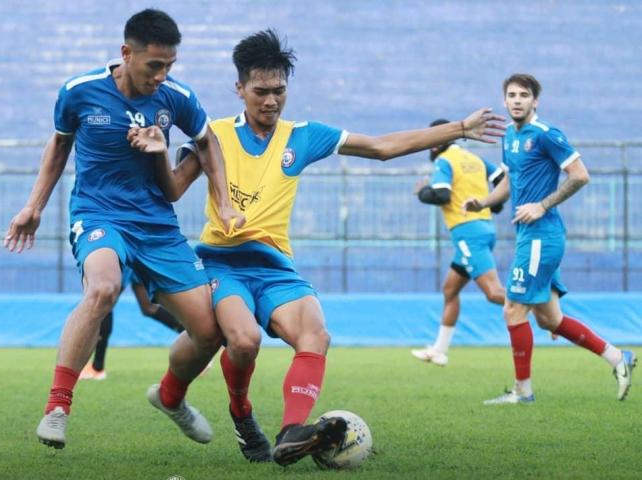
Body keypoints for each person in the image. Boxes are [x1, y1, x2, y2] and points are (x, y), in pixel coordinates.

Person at [137, 29, 505, 465]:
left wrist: (461, 127)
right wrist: (154, 156)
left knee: (316, 334)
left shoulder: (304, 136)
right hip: (223, 264)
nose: (271, 101)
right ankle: (242, 414)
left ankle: (292, 431)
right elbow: (171, 189)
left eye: (279, 91)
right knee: (244, 339)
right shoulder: (211, 135)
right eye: (261, 91)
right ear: (239, 89)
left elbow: (382, 147)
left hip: (275, 268)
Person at [3, 8, 243, 450]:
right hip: (98, 215)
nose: (161, 75)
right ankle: (58, 407)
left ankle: (171, 397)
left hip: (156, 226)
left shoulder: (178, 98)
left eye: (170, 65)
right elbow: (59, 145)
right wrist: (33, 206)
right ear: (126, 53)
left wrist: (226, 204)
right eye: (154, 65)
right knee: (103, 289)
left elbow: (210, 144)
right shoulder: (79, 91)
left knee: (210, 332)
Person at [464, 73, 636, 405]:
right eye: (511, 95)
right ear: (504, 100)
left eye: (524, 95)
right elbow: (513, 181)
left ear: (535, 101)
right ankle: (617, 357)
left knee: (513, 310)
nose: (517, 100)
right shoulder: (511, 138)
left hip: (542, 237)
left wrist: (543, 205)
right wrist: (484, 202)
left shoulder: (546, 135)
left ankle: (523, 392)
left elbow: (580, 175)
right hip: (530, 236)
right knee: (549, 319)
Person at [410, 119, 506, 366]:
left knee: (494, 293)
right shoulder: (474, 158)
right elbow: (502, 179)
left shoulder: (445, 161)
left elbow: (441, 195)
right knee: (450, 290)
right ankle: (439, 351)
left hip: (467, 233)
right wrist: (494, 204)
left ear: (435, 143)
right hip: (483, 228)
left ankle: (545, 311)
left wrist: (422, 191)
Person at [79, 274, 184, 381]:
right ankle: (196, 341)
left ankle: (97, 368)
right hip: (140, 259)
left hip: (125, 260)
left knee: (104, 301)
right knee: (149, 307)